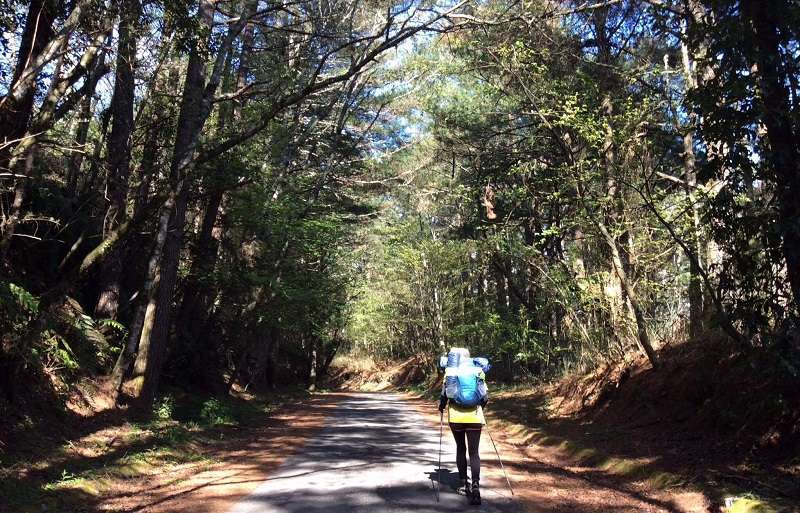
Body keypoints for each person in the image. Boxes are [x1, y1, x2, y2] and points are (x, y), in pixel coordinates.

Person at [438, 347, 488, 506]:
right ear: (469, 357)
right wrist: (480, 408)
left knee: (461, 448)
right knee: (474, 452)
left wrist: (441, 406)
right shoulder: (478, 370)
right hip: (474, 416)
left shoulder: (450, 370)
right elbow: (484, 396)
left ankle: (462, 483)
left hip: (456, 417)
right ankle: (475, 487)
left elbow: (444, 396)